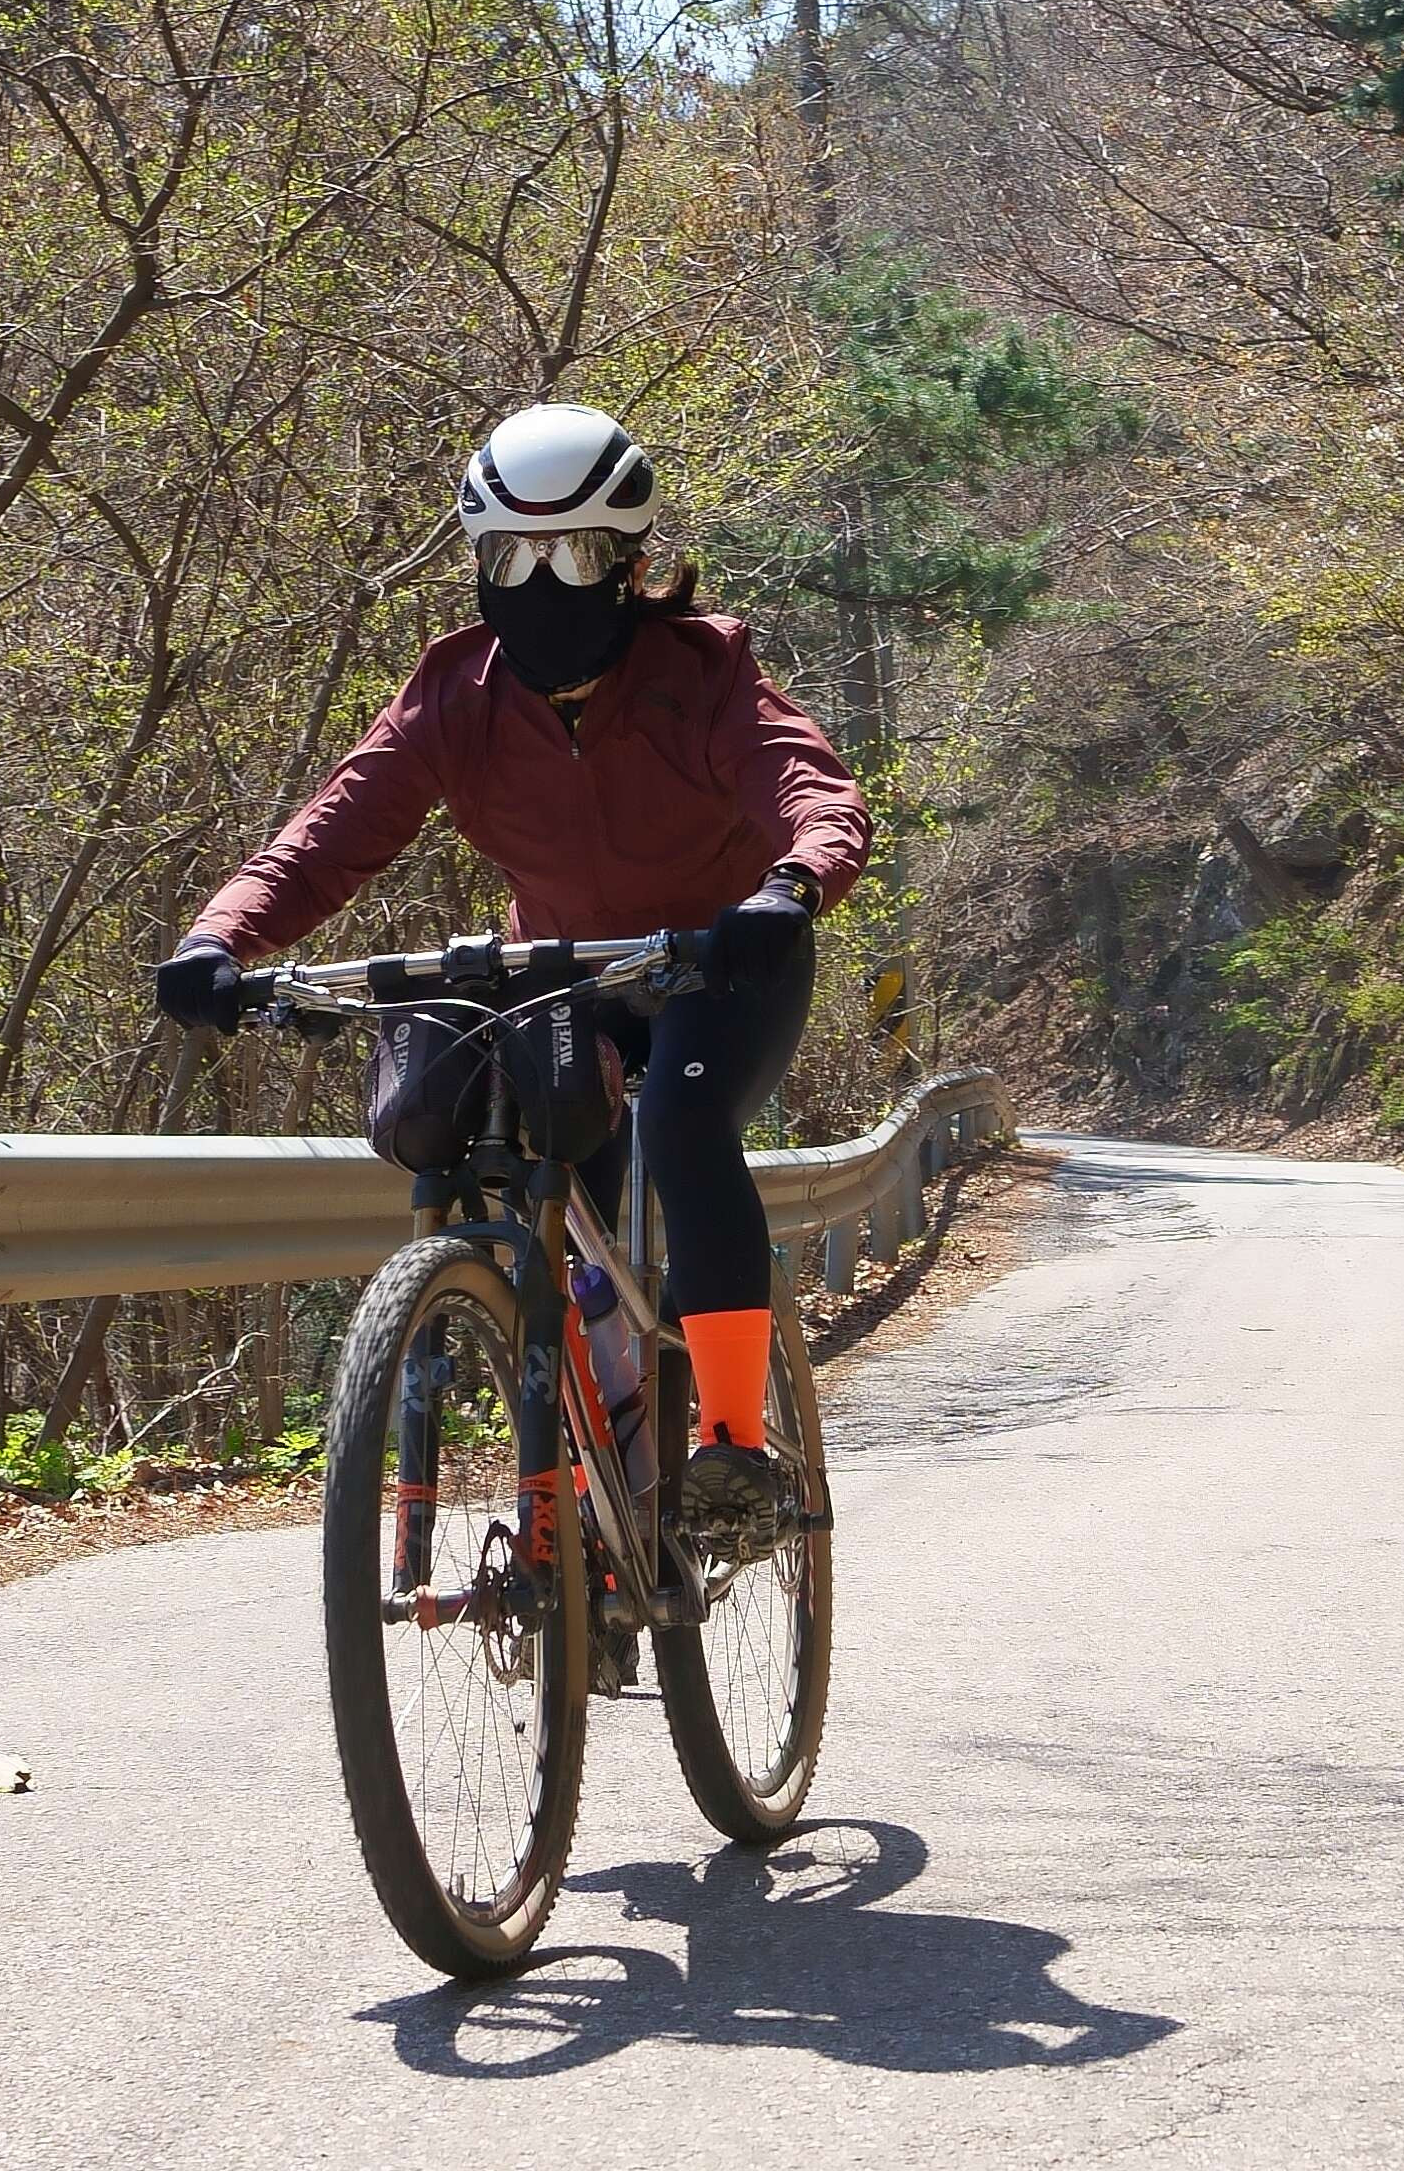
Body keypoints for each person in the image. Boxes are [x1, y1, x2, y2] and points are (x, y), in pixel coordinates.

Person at [149, 403, 871, 1536]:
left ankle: (733, 1445)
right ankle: (599, 1468)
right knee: (547, 1163)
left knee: (683, 1121)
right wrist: (218, 938)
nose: (540, 585)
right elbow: (326, 837)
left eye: (572, 555)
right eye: (510, 558)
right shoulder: (455, 696)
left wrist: (790, 887)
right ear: (478, 561)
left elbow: (809, 787)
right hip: (568, 975)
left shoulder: (704, 672)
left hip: (724, 965)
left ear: (626, 563)